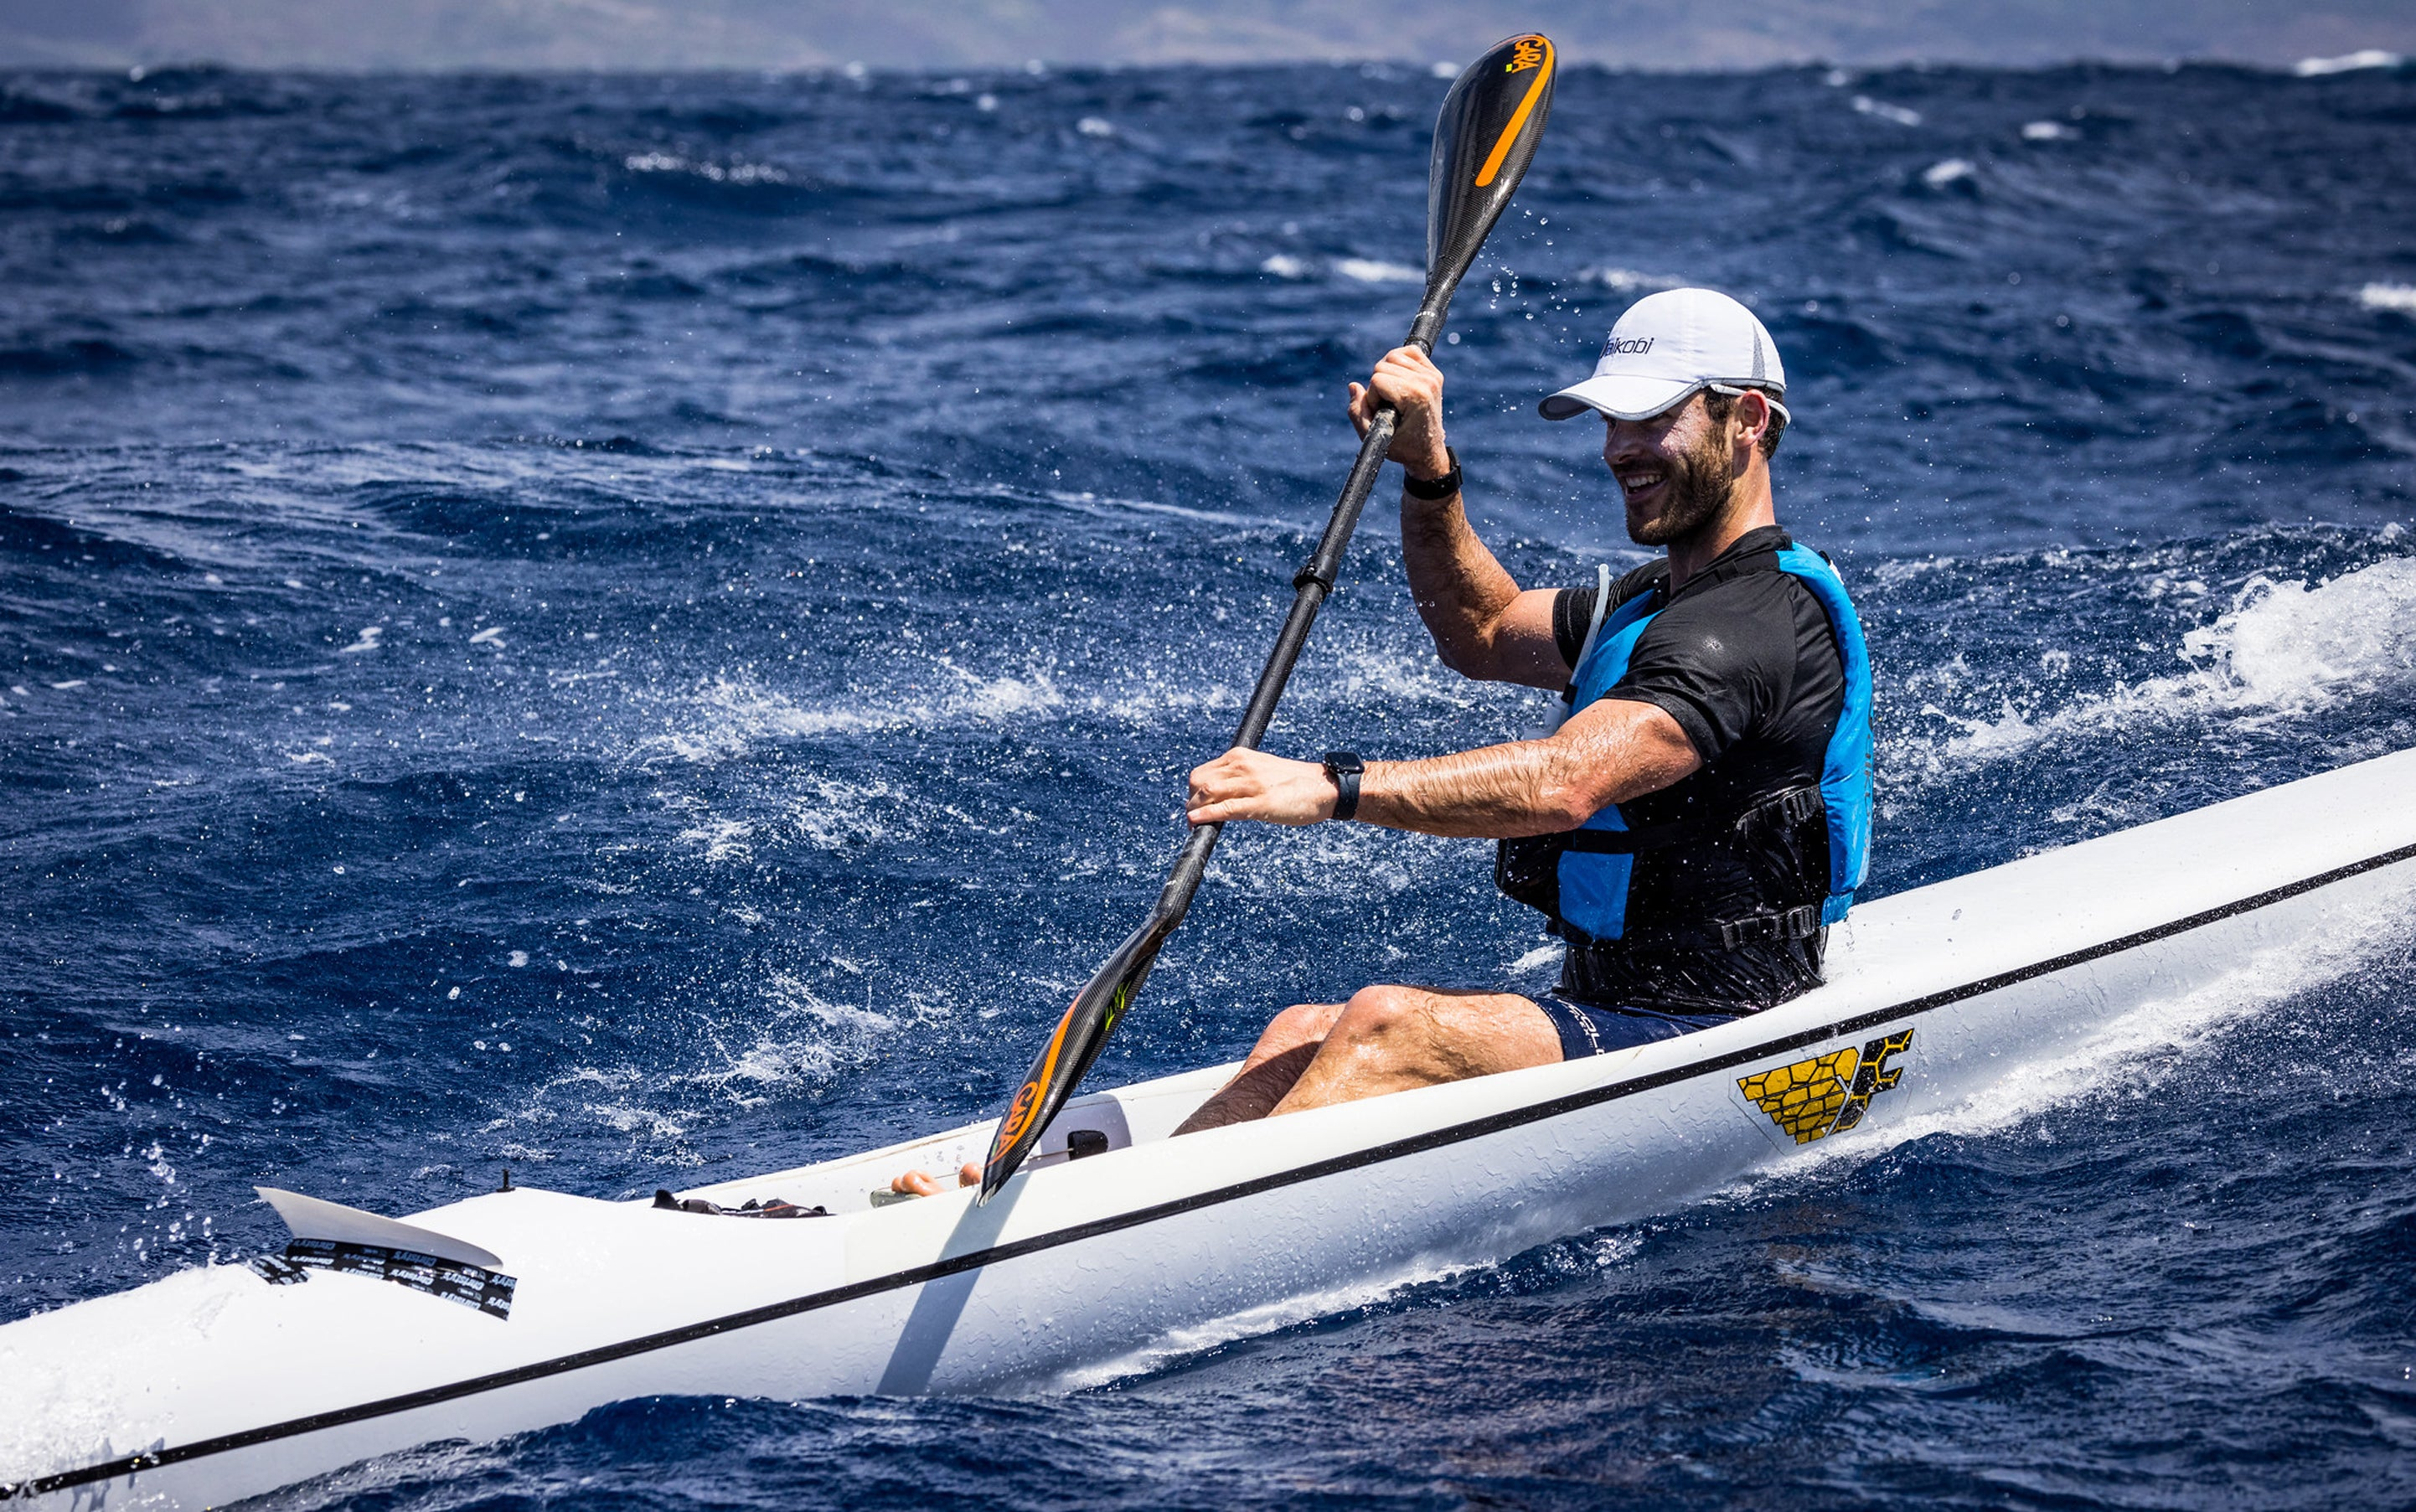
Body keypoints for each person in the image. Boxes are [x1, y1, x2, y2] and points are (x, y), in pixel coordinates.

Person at [1171, 286, 1872, 1133]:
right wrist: (1430, 473)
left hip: (1717, 1021)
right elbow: (1483, 629)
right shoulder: (1657, 602)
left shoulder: (1750, 625)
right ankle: (1113, 1213)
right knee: (1301, 1032)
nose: (1618, 448)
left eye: (1650, 420)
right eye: (1609, 422)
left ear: (1749, 419)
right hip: (1610, 1001)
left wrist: (1331, 787)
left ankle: (1157, 1248)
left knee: (1383, 1028)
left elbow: (1567, 782)